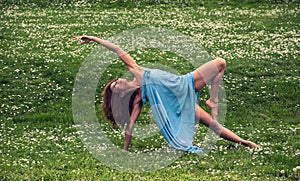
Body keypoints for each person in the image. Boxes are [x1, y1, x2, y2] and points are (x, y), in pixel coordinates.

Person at [74, 35, 259, 152]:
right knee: (220, 64)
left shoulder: (136, 71)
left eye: (115, 81)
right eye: (116, 87)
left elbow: (117, 50)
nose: (118, 82)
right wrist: (124, 150)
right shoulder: (139, 98)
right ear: (120, 95)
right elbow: (130, 126)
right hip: (181, 94)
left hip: (183, 84)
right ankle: (214, 102)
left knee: (220, 66)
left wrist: (93, 39)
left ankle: (245, 141)